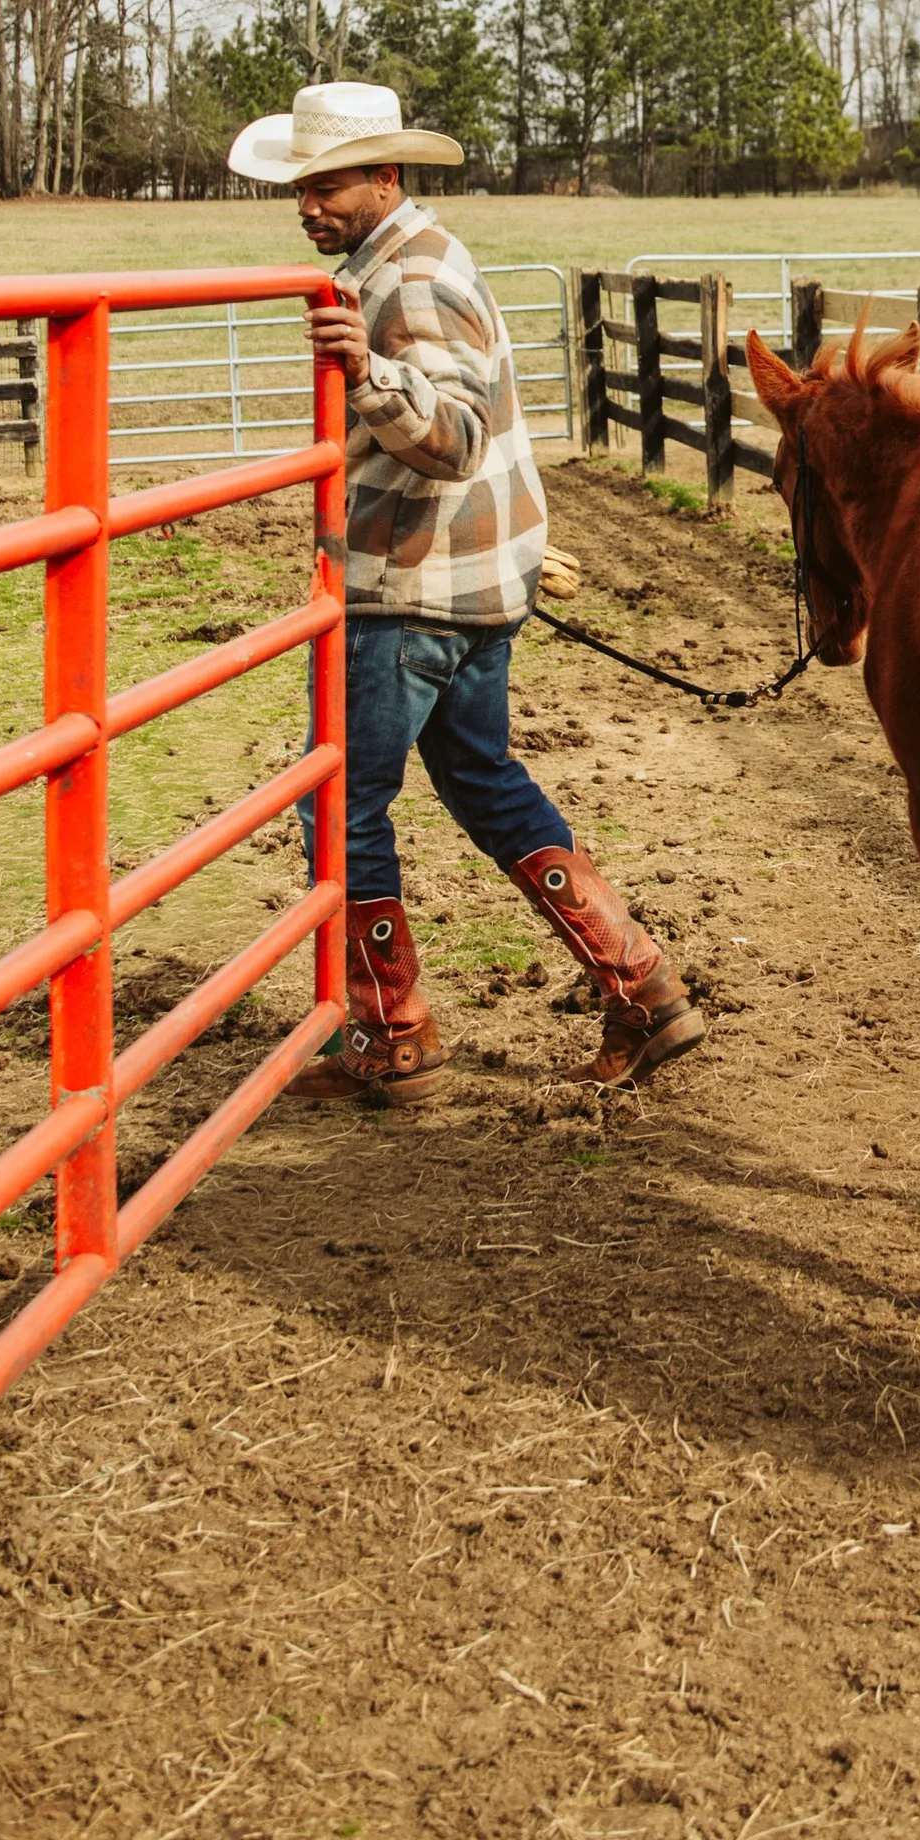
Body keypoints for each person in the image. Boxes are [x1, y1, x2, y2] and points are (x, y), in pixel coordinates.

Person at [227, 81, 706, 1108]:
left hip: (409, 587)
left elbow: (454, 437)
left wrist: (369, 380)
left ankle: (391, 1032)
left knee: (342, 804)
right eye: (299, 187)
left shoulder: (407, 277)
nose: (307, 205)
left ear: (385, 174)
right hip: (472, 579)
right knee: (482, 778)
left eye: (327, 184)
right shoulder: (415, 256)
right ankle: (644, 985)